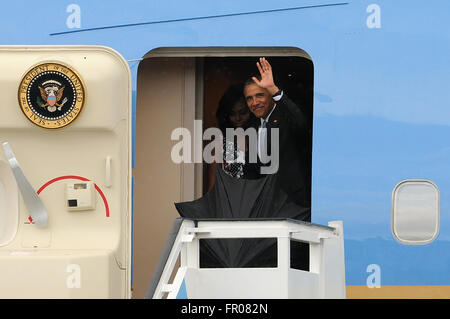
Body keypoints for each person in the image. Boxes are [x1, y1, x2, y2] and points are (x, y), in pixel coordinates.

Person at [244, 57, 310, 221]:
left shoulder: (286, 118)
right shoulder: (251, 127)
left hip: (293, 205)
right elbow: (253, 169)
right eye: (249, 98)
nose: (254, 102)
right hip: (265, 207)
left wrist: (274, 90)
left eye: (260, 95)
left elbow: (301, 123)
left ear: (270, 96)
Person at [207, 83, 258, 191]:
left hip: (258, 203)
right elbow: (213, 186)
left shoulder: (261, 139)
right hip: (231, 203)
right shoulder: (221, 143)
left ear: (251, 111)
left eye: (243, 112)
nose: (238, 118)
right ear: (226, 115)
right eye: (232, 114)